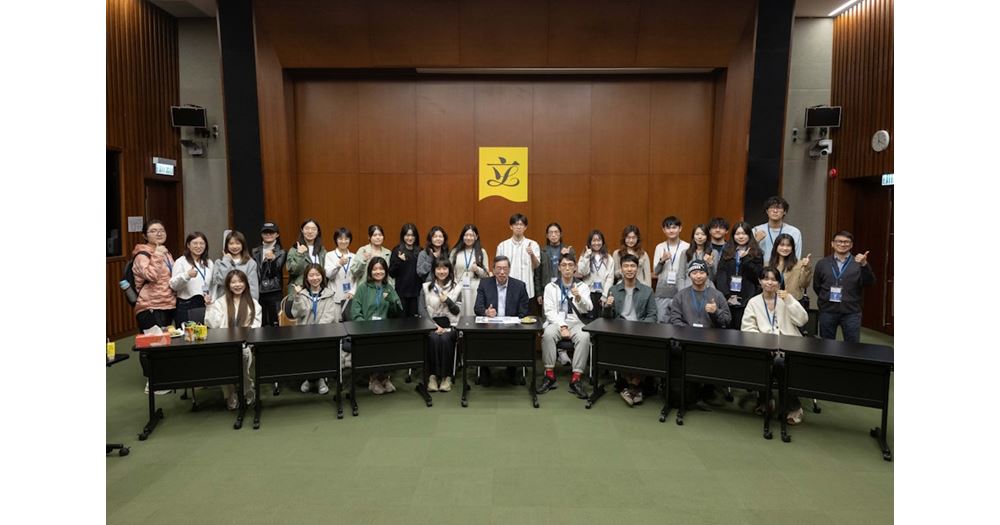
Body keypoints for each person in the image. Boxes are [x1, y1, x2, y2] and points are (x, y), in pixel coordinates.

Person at [741, 266, 810, 424]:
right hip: (764, 346)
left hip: (789, 345)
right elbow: (747, 328)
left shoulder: (786, 298)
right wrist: (764, 342)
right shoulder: (753, 302)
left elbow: (802, 320)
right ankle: (766, 401)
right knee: (761, 362)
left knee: (784, 364)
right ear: (760, 281)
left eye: (773, 279)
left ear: (779, 283)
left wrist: (790, 300)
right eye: (766, 279)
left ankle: (794, 407)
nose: (769, 283)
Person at [601, 253, 658, 406]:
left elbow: (652, 316)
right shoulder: (613, 289)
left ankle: (631, 386)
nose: (629, 269)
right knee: (616, 346)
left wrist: (639, 328)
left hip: (640, 331)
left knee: (644, 348)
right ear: (621, 269)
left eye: (632, 266)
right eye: (626, 266)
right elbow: (607, 318)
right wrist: (607, 306)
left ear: (637, 269)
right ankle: (634, 387)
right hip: (620, 331)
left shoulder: (647, 291)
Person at [205, 269, 261, 410]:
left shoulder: (253, 303)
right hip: (224, 344)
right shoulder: (219, 302)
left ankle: (247, 390)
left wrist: (244, 340)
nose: (237, 285)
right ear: (228, 285)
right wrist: (209, 306)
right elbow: (213, 325)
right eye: (233, 282)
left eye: (240, 281)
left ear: (246, 284)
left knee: (244, 356)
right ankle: (230, 394)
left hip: (245, 344)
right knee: (224, 361)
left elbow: (256, 327)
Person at [538, 254, 593, 399]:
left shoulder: (582, 286)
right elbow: (549, 311)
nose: (567, 268)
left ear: (575, 267)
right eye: (564, 265)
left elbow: (588, 308)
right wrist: (562, 325)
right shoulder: (551, 287)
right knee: (548, 335)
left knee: (584, 336)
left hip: (576, 322)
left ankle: (576, 378)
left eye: (570, 265)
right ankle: (549, 375)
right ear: (559, 268)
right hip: (556, 321)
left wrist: (579, 298)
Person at [473, 255, 531, 386]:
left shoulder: (519, 286)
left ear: (509, 269)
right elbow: (477, 308)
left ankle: (513, 368)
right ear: (493, 270)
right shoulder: (485, 283)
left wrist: (514, 320)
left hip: (512, 328)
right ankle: (484, 368)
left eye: (505, 268)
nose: (502, 272)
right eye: (498, 268)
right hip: (490, 326)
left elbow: (524, 311)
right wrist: (486, 312)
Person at [351, 257, 404, 394]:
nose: (378, 272)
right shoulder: (363, 288)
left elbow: (397, 312)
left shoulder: (389, 288)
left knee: (387, 343)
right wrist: (365, 327)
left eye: (381, 269)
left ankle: (384, 378)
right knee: (373, 344)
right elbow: (355, 311)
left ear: (386, 271)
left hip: (385, 329)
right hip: (366, 329)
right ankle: (374, 379)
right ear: (370, 271)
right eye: (375, 269)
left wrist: (392, 301)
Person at [812, 231, 876, 343]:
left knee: (852, 346)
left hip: (851, 311)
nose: (842, 244)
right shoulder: (822, 263)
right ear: (832, 244)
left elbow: (870, 283)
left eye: (846, 242)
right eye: (839, 241)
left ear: (851, 245)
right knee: (826, 345)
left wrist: (865, 265)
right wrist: (825, 298)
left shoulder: (859, 262)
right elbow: (817, 286)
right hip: (828, 310)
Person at [291, 263, 339, 395]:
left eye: (317, 275)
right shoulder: (302, 294)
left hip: (323, 332)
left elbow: (329, 316)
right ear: (306, 278)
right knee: (307, 350)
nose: (315, 278)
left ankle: (321, 379)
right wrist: (297, 297)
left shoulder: (329, 294)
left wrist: (317, 331)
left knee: (321, 348)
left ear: (322, 277)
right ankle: (309, 378)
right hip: (304, 333)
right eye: (311, 275)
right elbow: (297, 313)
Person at [417, 257, 463, 393]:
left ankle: (445, 377)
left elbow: (457, 310)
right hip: (431, 324)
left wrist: (448, 300)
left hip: (450, 324)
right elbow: (421, 310)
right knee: (433, 338)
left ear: (449, 270)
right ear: (434, 270)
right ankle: (431, 376)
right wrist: (434, 326)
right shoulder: (426, 287)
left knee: (446, 339)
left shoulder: (457, 287)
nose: (441, 271)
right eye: (438, 268)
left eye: (444, 268)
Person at [714, 222, 763, 329]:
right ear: (733, 235)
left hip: (747, 297)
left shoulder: (757, 252)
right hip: (728, 297)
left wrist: (746, 260)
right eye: (737, 234)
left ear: (749, 235)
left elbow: (757, 277)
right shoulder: (727, 250)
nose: (741, 236)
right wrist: (726, 294)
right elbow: (721, 273)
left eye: (744, 233)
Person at [132, 219, 177, 332]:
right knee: (154, 344)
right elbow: (151, 276)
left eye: (162, 230)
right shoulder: (142, 256)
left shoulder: (166, 252)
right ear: (145, 236)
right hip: (150, 306)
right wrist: (157, 254)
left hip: (168, 303)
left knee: (167, 342)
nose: (159, 233)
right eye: (153, 231)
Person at [668, 260, 731, 329]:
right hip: (686, 336)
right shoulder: (680, 296)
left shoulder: (717, 295)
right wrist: (689, 331)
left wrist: (716, 311)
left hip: (710, 337)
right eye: (694, 273)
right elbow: (674, 319)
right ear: (689, 275)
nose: (698, 276)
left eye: (702, 273)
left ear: (707, 275)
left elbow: (727, 320)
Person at [170, 231, 213, 325]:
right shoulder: (181, 261)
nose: (198, 246)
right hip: (186, 305)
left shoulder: (208, 263)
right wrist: (187, 275)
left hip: (204, 304)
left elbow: (209, 284)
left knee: (204, 335)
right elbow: (173, 285)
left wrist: (208, 296)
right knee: (188, 336)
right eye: (195, 243)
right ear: (188, 245)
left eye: (202, 243)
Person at [652, 216, 690, 323]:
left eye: (674, 227)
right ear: (663, 230)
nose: (671, 230)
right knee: (661, 322)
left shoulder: (687, 247)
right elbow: (656, 271)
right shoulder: (660, 247)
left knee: (679, 322)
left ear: (680, 228)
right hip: (663, 291)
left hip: (681, 290)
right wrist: (662, 260)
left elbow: (688, 271)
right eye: (668, 228)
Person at [495, 213, 541, 302]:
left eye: (521, 224)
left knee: (526, 316)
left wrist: (531, 254)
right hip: (507, 290)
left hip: (527, 290)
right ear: (511, 227)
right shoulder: (502, 246)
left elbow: (536, 266)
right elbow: (497, 268)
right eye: (516, 224)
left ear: (525, 227)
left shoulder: (533, 244)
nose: (519, 227)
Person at [450, 224, 491, 317]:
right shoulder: (455, 252)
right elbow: (450, 272)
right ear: (462, 236)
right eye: (466, 235)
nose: (468, 238)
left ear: (476, 237)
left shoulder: (481, 252)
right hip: (458, 286)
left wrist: (477, 269)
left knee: (473, 313)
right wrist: (454, 283)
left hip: (475, 287)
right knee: (459, 313)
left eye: (471, 235)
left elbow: (487, 275)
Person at [252, 222, 286, 327]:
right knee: (260, 322)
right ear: (261, 235)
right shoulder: (255, 251)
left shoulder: (281, 252)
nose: (268, 235)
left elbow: (276, 270)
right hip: (258, 291)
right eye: (265, 233)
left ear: (277, 235)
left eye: (271, 233)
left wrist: (273, 260)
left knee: (275, 322)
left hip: (274, 291)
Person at [576, 229, 614, 321]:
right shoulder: (584, 255)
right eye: (594, 240)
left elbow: (610, 278)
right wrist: (586, 257)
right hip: (588, 292)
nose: (596, 243)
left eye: (599, 240)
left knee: (601, 320)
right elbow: (583, 272)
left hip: (602, 293)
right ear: (590, 242)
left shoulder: (609, 258)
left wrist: (605, 295)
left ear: (602, 242)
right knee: (589, 319)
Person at [211, 230, 260, 301]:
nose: (234, 246)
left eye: (238, 243)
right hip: (224, 303)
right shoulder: (219, 263)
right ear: (226, 245)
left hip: (243, 303)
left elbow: (253, 287)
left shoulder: (250, 263)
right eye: (231, 243)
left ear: (243, 245)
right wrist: (226, 261)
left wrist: (253, 304)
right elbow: (221, 281)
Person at [535, 222, 576, 306]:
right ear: (547, 235)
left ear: (560, 234)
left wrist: (567, 255)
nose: (553, 235)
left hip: (565, 288)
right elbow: (537, 274)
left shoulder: (568, 250)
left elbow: (574, 270)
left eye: (556, 232)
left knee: (565, 313)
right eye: (551, 232)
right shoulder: (542, 252)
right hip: (547, 288)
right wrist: (539, 293)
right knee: (548, 314)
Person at [753, 196, 803, 261]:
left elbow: (796, 257)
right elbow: (747, 255)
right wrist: (756, 240)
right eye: (772, 208)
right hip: (762, 269)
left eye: (779, 208)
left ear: (784, 212)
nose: (775, 211)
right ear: (767, 211)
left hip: (786, 269)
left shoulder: (794, 232)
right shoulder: (756, 230)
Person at [285, 218, 326, 296]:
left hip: (319, 291)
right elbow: (292, 270)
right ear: (302, 230)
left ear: (317, 232)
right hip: (299, 291)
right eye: (307, 229)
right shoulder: (294, 250)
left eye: (313, 229)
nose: (310, 231)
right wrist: (299, 254)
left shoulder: (322, 251)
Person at [323, 227, 356, 322]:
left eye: (346, 239)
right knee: (335, 326)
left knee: (351, 325)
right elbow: (329, 275)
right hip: (335, 298)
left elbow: (358, 277)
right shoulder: (329, 255)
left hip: (350, 297)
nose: (343, 241)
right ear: (336, 240)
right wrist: (339, 264)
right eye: (340, 238)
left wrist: (352, 291)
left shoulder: (354, 257)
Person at [770, 233, 812, 308]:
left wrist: (806, 268)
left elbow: (804, 284)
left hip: (794, 302)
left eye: (788, 245)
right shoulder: (768, 264)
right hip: (772, 302)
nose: (785, 248)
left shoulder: (799, 264)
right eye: (782, 245)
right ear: (776, 247)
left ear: (792, 248)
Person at [389, 223, 422, 318]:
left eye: (412, 235)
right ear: (403, 236)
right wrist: (399, 261)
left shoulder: (420, 251)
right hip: (401, 293)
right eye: (407, 235)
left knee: (415, 323)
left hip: (416, 294)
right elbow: (391, 273)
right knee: (401, 322)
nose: (410, 238)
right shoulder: (397, 250)